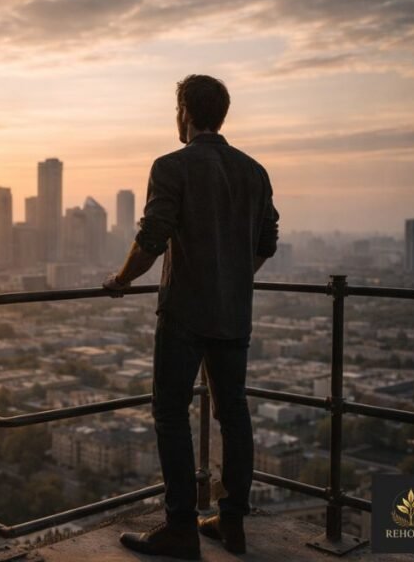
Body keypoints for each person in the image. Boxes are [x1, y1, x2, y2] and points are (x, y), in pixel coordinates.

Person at [103, 74, 279, 559]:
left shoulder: (170, 167)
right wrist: (230, 273)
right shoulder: (254, 172)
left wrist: (121, 280)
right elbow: (266, 244)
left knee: (169, 414)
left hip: (184, 312)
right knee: (234, 414)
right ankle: (232, 522)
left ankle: (181, 526)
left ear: (184, 111)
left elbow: (153, 237)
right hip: (233, 311)